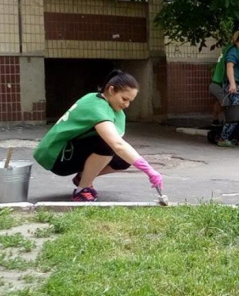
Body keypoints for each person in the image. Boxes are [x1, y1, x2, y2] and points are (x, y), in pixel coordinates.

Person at [33, 70, 164, 202]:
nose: (126, 105)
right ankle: (82, 190)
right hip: (57, 157)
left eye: (130, 101)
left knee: (123, 159)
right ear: (111, 90)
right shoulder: (96, 106)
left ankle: (83, 177)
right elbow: (117, 144)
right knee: (108, 145)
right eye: (124, 99)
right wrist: (149, 170)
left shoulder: (109, 106)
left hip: (70, 152)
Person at [211, 31, 239, 146]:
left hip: (238, 87)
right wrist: (232, 84)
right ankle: (223, 138)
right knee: (235, 112)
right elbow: (229, 66)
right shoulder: (234, 51)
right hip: (234, 87)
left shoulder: (237, 52)